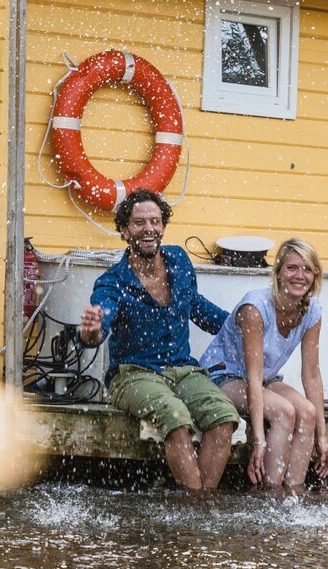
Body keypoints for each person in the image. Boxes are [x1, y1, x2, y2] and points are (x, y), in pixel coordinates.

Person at [78, 188, 241, 492]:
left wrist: (238, 324)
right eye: (139, 223)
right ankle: (197, 506)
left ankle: (200, 502)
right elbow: (98, 329)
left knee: (224, 417)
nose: (148, 228)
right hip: (133, 374)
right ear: (125, 230)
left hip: (183, 369)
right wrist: (92, 330)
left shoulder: (179, 260)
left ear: (163, 226)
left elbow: (196, 306)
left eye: (155, 221)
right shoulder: (113, 281)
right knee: (175, 417)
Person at [196, 239, 328, 493]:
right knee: (284, 411)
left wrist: (322, 438)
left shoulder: (312, 312)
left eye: (307, 269)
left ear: (315, 275)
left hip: (265, 379)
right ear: (278, 272)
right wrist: (258, 441)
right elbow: (253, 376)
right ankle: (270, 494)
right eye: (292, 268)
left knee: (307, 412)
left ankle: (294, 493)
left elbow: (312, 375)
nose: (299, 275)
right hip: (223, 375)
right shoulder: (255, 308)